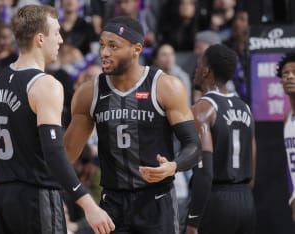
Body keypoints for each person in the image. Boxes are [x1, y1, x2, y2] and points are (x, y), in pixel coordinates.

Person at [0, 5, 114, 234]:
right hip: (35, 198)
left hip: (0, 200)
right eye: (55, 32)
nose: (60, 39)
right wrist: (87, 204)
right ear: (39, 38)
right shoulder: (45, 85)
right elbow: (54, 152)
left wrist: (3, 175)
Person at [64, 15, 201, 234]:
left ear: (136, 49)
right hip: (112, 202)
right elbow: (66, 154)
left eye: (113, 46)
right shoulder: (89, 92)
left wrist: (173, 167)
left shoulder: (165, 86)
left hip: (155, 199)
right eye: (102, 45)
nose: (104, 53)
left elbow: (194, 145)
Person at [185, 44, 256, 234]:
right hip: (246, 201)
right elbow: (253, 166)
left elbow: (204, 172)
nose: (197, 70)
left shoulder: (203, 109)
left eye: (200, 65)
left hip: (216, 201)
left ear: (207, 71)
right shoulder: (245, 108)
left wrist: (193, 220)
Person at [276, 53, 295, 223]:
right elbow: (290, 167)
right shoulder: (287, 117)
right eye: (285, 73)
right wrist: (292, 197)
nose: (290, 76)